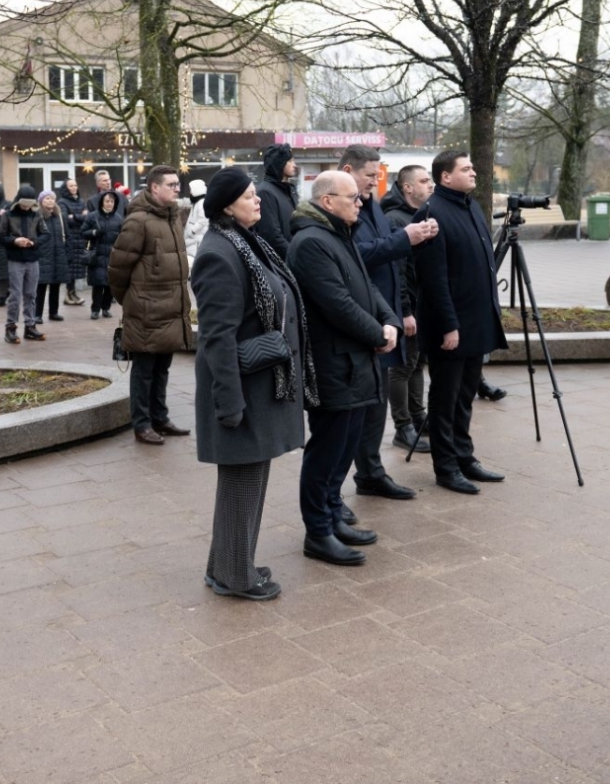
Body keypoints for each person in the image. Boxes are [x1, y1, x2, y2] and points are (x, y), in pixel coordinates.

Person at [191, 168, 314, 601]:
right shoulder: (220, 254)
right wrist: (229, 404)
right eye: (248, 195)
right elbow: (216, 338)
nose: (258, 200)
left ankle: (224, 564)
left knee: (247, 482)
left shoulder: (244, 242)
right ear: (227, 205)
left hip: (256, 386)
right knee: (242, 485)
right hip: (241, 390)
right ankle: (234, 577)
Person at [288, 170, 399, 566]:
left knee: (344, 449)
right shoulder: (311, 242)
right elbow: (336, 303)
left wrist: (390, 321)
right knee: (327, 452)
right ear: (327, 200)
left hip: (356, 363)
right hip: (334, 364)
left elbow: (367, 289)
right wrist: (378, 333)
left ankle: (333, 516)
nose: (361, 202)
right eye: (352, 197)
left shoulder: (339, 235)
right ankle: (318, 532)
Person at [338, 145, 438, 505]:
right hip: (365, 323)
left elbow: (388, 254)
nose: (373, 181)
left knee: (375, 404)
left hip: (384, 318)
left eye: (377, 175)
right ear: (348, 170)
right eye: (369, 175)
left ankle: (371, 473)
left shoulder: (371, 206)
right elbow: (360, 256)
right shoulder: (345, 212)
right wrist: (405, 238)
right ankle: (344, 486)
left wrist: (416, 239)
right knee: (358, 411)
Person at [413, 150, 510, 495]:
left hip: (475, 321)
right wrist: (448, 325)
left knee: (465, 396)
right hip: (450, 327)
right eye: (466, 169)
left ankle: (465, 457)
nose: (474, 173)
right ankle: (446, 467)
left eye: (472, 167)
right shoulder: (433, 212)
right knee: (445, 399)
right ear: (445, 177)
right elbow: (434, 278)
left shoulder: (469, 206)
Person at [108, 166, 194, 445]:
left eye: (178, 184)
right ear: (154, 188)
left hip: (169, 309)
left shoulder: (172, 217)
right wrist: (131, 300)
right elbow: (118, 269)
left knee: (162, 368)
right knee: (144, 371)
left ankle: (160, 418)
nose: (177, 188)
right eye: (171, 184)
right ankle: (142, 423)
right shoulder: (139, 221)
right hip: (146, 310)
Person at [381, 164, 433, 453]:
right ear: (408, 187)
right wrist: (405, 310)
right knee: (402, 366)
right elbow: (397, 270)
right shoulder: (395, 220)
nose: (430, 185)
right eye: (424, 181)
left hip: (421, 303)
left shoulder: (419, 214)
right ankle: (403, 427)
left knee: (416, 363)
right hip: (407, 306)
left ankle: (418, 417)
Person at [0, 184, 46, 343]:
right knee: (15, 295)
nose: (27, 207)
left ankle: (30, 326)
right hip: (15, 260)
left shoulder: (36, 214)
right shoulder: (8, 214)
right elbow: (0, 236)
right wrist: (15, 241)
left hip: (33, 259)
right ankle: (10, 328)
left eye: (29, 203)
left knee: (31, 294)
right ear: (19, 201)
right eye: (24, 203)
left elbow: (46, 234)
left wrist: (34, 242)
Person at [253, 144, 298, 258]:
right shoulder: (265, 192)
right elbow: (272, 236)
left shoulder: (289, 190)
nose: (295, 165)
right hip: (281, 264)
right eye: (290, 161)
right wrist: (295, 258)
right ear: (280, 163)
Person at [84, 190, 123, 320]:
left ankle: (106, 308)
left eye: (112, 201)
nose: (109, 204)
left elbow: (123, 236)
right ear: (102, 202)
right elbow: (83, 232)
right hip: (97, 254)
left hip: (113, 255)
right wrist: (94, 232)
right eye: (107, 201)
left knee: (110, 285)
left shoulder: (118, 218)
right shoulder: (92, 216)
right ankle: (95, 309)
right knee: (98, 284)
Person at [34, 189, 70, 324]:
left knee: (56, 285)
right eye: (47, 199)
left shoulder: (59, 216)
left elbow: (67, 234)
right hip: (43, 255)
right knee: (41, 286)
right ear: (41, 201)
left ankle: (53, 312)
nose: (50, 201)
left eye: (52, 198)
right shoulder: (36, 216)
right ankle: (37, 314)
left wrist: (68, 252)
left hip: (58, 254)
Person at [58, 179, 88, 306]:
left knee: (77, 268)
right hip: (70, 239)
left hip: (80, 238)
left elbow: (88, 217)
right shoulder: (62, 202)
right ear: (66, 188)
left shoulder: (81, 201)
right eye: (71, 185)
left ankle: (72, 293)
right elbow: (65, 219)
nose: (74, 187)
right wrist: (79, 216)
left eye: (75, 185)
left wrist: (74, 216)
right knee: (70, 268)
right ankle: (70, 293)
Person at [183, 177, 209, 262]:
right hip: (194, 240)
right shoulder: (198, 202)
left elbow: (203, 220)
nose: (190, 192)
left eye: (191, 189)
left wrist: (192, 231)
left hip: (196, 241)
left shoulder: (201, 203)